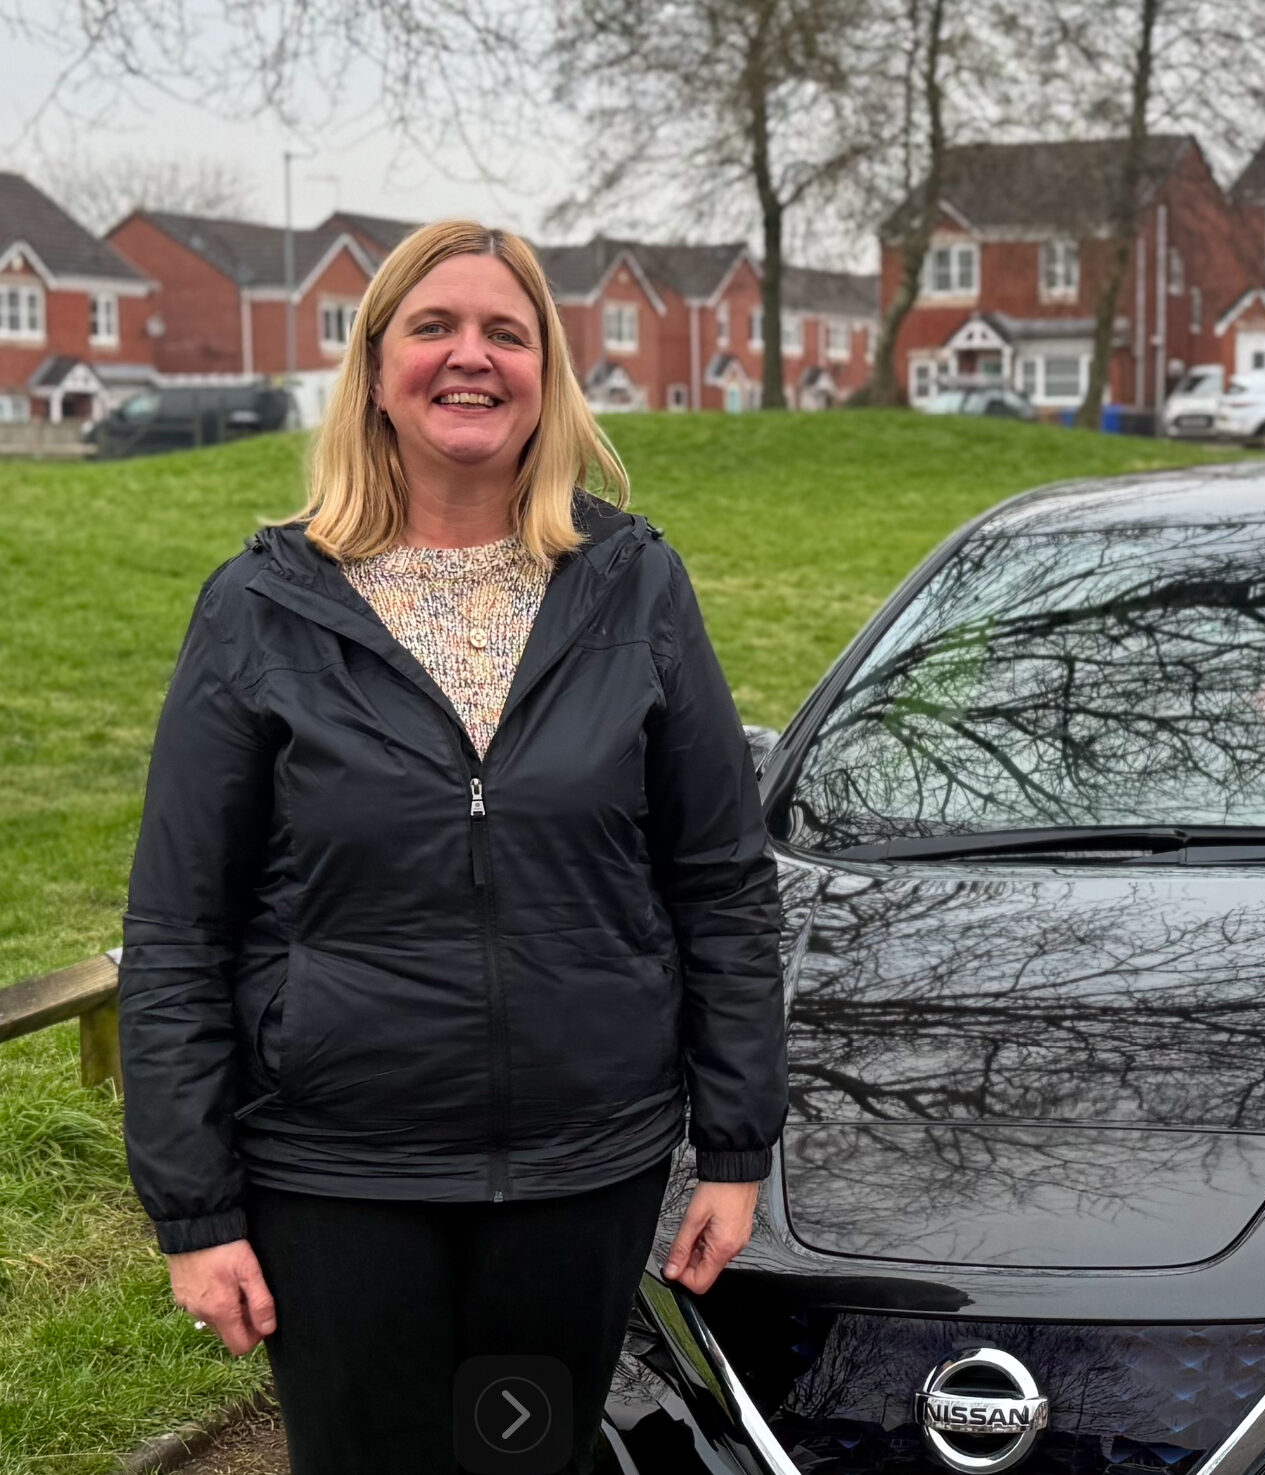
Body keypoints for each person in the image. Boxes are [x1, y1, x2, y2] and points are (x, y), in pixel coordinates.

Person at [117, 219, 786, 1475]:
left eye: (504, 331)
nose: (468, 357)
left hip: (579, 1174)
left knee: (521, 1461)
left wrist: (738, 1144)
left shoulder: (634, 587)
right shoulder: (262, 606)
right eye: (432, 327)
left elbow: (719, 879)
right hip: (334, 1176)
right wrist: (193, 1209)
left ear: (549, 371)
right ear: (375, 368)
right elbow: (176, 926)